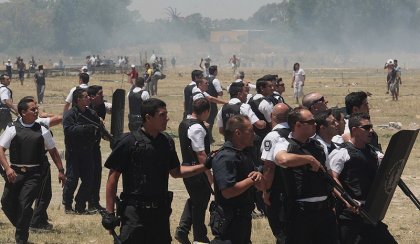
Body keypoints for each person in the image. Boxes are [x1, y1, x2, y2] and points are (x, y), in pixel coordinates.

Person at [102, 98, 212, 243]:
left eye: (166, 114)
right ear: (148, 117)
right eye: (162, 115)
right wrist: (110, 213)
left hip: (160, 213)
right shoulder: (129, 142)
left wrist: (205, 166)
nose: (167, 118)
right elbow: (112, 179)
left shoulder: (166, 142)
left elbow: (176, 172)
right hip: (134, 214)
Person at [0, 96, 65, 243]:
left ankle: (21, 239)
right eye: (33, 109)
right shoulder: (12, 128)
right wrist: (8, 168)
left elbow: (53, 151)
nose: (36, 111)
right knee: (6, 203)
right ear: (23, 112)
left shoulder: (42, 129)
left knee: (24, 204)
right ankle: (23, 225)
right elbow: (0, 150)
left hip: (34, 174)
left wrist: (61, 170)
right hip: (15, 173)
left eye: (36, 109)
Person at [273, 107, 339, 244]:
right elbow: (282, 159)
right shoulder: (283, 143)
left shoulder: (319, 146)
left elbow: (328, 175)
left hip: (324, 212)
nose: (315, 124)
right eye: (311, 122)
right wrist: (308, 159)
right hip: (299, 214)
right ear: (298, 125)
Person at [329, 113, 397, 244]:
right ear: (354, 130)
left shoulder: (373, 152)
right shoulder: (341, 153)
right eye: (366, 127)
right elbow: (332, 179)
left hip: (371, 213)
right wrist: (348, 200)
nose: (371, 131)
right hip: (350, 217)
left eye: (371, 127)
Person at [210, 115, 264, 243]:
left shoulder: (243, 154)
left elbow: (260, 186)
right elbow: (228, 191)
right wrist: (252, 180)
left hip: (243, 218)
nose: (253, 134)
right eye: (250, 131)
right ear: (238, 133)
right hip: (230, 222)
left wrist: (259, 178)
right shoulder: (226, 157)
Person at [175, 98, 213, 244]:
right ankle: (200, 236)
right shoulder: (197, 128)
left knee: (196, 200)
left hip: (187, 166)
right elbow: (201, 154)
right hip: (197, 170)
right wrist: (209, 174)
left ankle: (183, 230)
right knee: (200, 203)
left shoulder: (185, 122)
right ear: (205, 112)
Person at [62, 88, 101, 214]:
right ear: (78, 99)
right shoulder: (70, 114)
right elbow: (68, 130)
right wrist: (85, 128)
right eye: (86, 97)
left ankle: (80, 205)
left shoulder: (92, 114)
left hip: (87, 152)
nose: (89, 98)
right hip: (74, 152)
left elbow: (98, 129)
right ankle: (67, 205)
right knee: (72, 179)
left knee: (89, 179)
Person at [260, 103, 291, 244]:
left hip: (278, 190)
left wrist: (266, 191)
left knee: (280, 231)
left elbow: (269, 168)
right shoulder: (294, 133)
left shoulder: (272, 137)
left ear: (272, 116)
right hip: (294, 189)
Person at [30, 105, 63, 230]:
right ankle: (35, 223)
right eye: (33, 108)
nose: (36, 110)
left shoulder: (17, 125)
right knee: (44, 194)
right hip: (40, 162)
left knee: (37, 193)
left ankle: (41, 219)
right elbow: (53, 151)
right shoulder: (40, 123)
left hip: (25, 162)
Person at [86, 85, 108, 212]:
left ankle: (94, 202)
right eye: (100, 94)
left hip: (95, 145)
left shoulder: (101, 107)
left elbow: (100, 126)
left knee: (97, 173)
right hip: (84, 147)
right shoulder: (84, 108)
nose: (102, 96)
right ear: (92, 97)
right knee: (86, 174)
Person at [206, 65, 223, 143]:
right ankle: (209, 137)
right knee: (211, 121)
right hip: (212, 102)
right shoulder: (215, 80)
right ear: (215, 71)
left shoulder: (204, 79)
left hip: (204, 101)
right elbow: (220, 93)